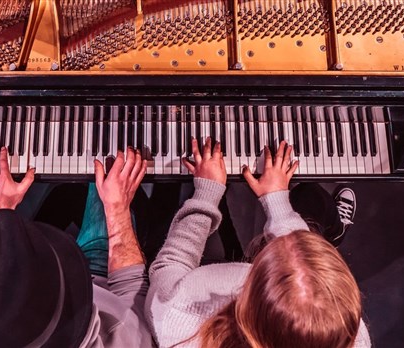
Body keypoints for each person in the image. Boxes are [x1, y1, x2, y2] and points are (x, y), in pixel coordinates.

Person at [0, 145, 154, 348]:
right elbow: (131, 289)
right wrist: (116, 208)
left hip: (4, 270)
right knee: (106, 161)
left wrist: (2, 214)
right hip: (99, 283)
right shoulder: (124, 336)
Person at [145, 138, 371, 348]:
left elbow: (170, 264)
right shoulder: (346, 332)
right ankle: (335, 231)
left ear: (249, 295)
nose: (281, 237)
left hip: (198, 276)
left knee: (161, 225)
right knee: (310, 202)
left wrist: (207, 193)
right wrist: (277, 200)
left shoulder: (179, 322)